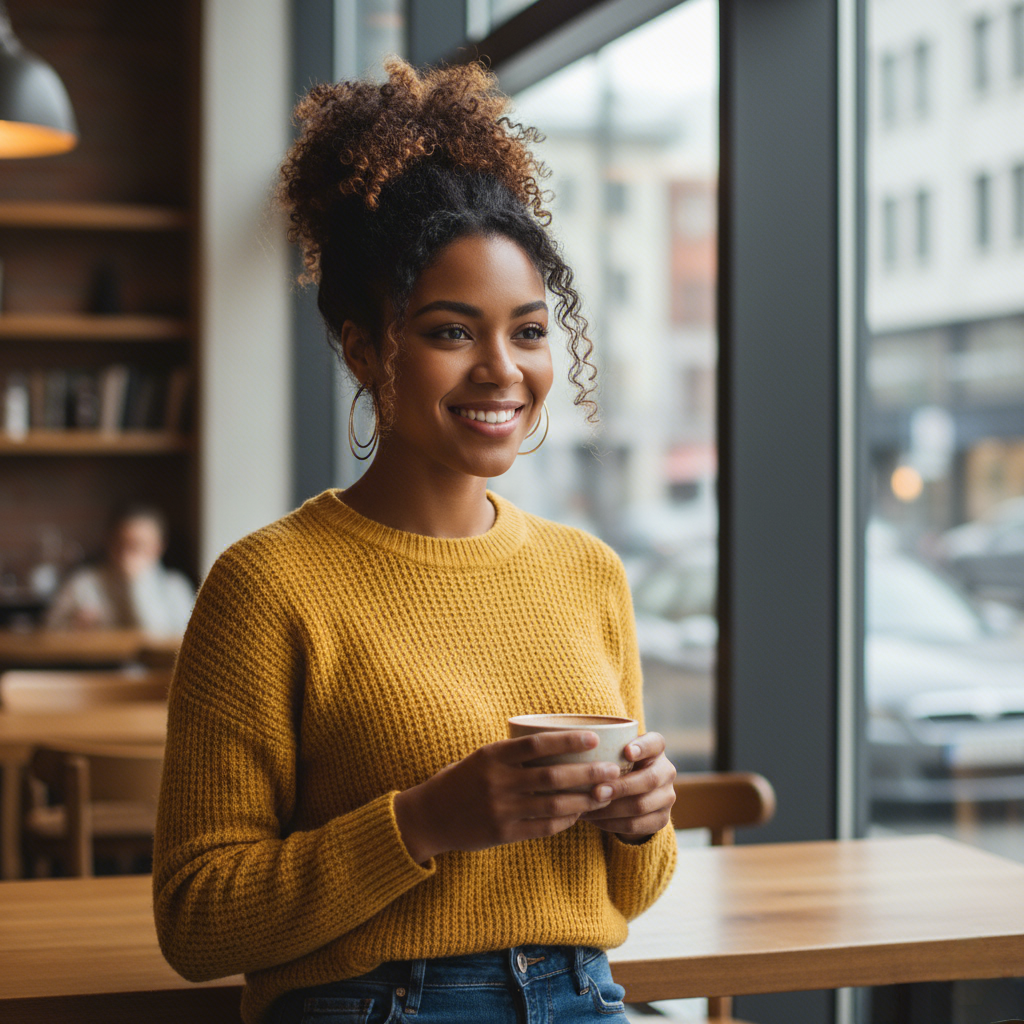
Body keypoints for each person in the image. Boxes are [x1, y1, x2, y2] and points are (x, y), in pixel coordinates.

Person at [153, 58, 677, 1024]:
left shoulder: (587, 572)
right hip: (378, 1007)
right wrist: (423, 824)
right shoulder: (268, 585)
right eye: (450, 331)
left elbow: (628, 899)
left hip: (586, 998)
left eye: (527, 332)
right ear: (363, 347)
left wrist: (644, 824)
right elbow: (195, 922)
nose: (501, 370)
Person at [43, 505, 194, 635]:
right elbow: (47, 631)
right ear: (109, 542)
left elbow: (166, 638)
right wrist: (73, 626)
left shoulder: (175, 587)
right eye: (120, 544)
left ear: (158, 547)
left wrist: (137, 583)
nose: (126, 554)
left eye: (137, 546)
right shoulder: (82, 583)